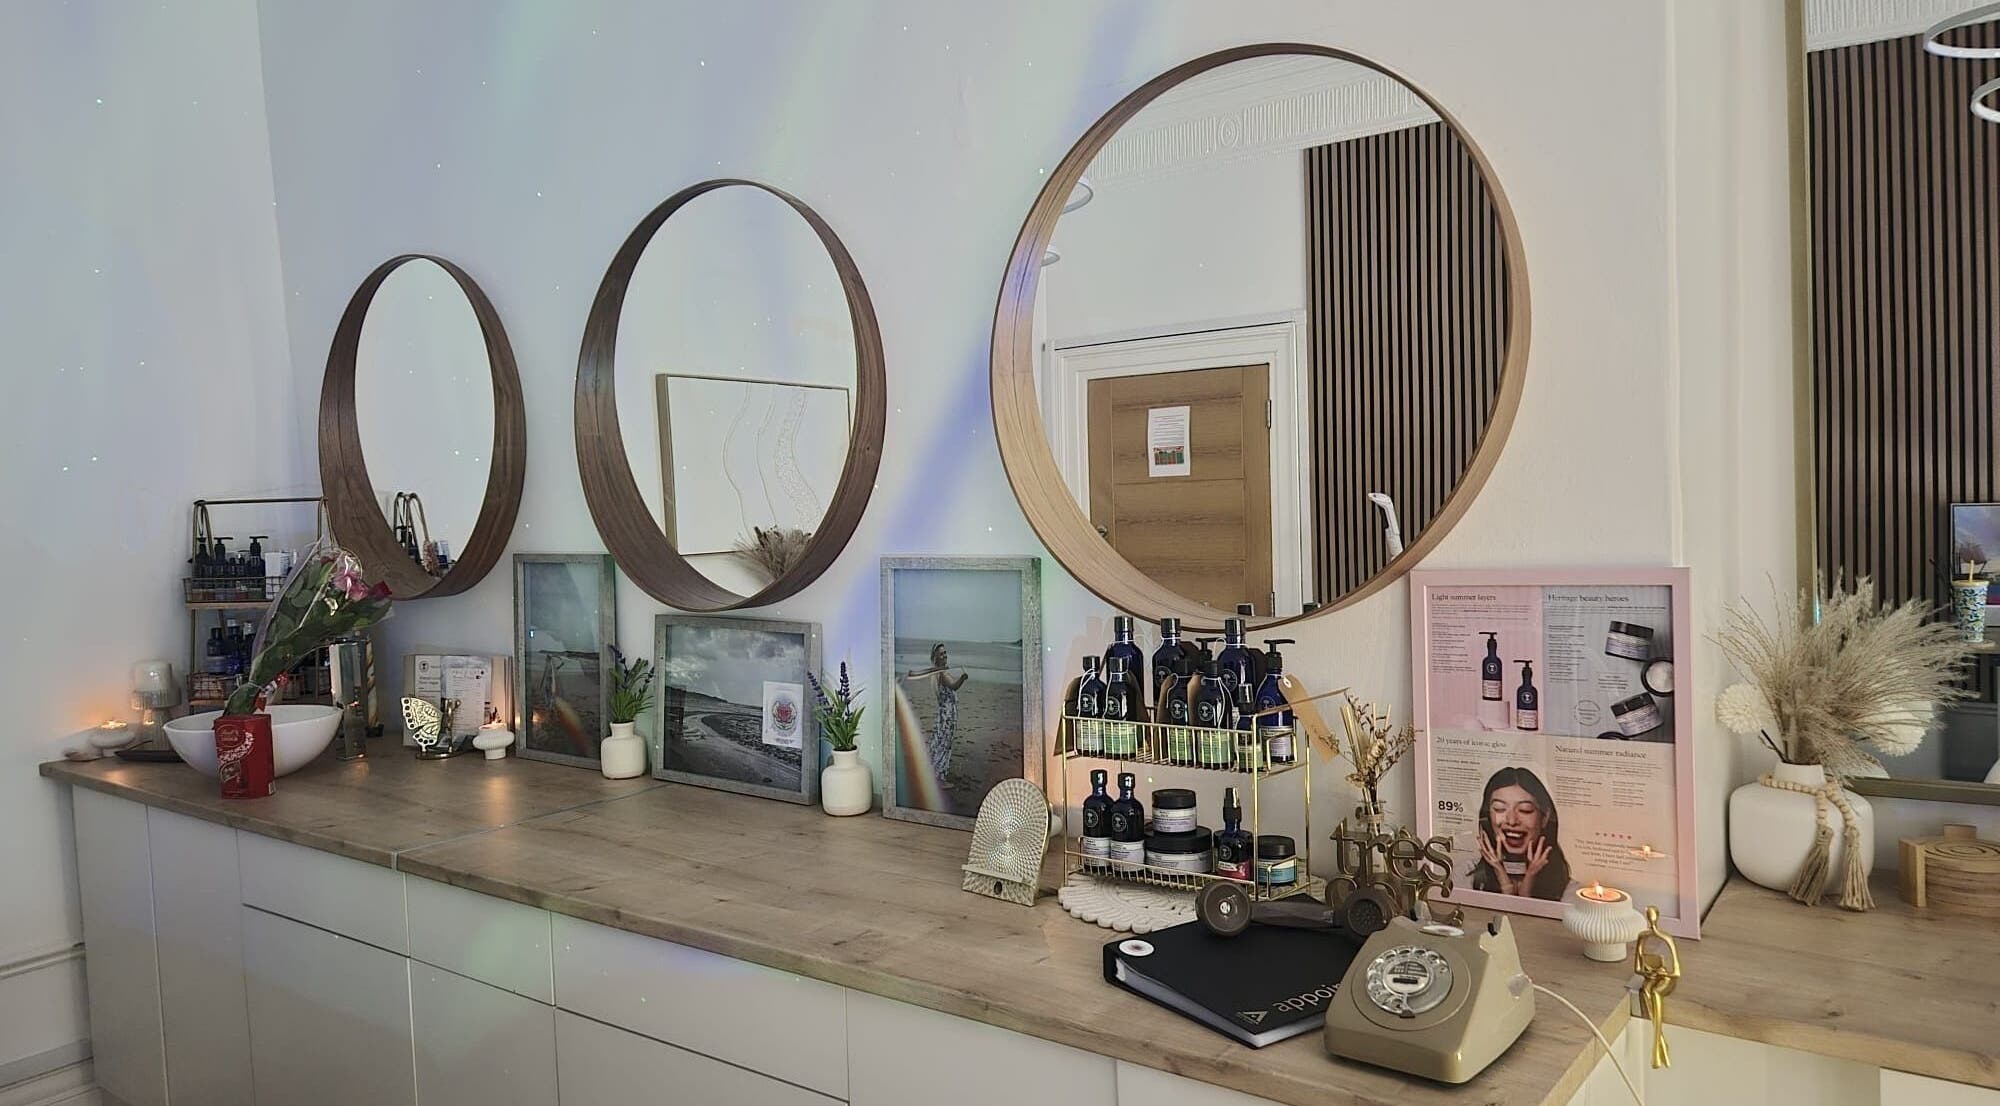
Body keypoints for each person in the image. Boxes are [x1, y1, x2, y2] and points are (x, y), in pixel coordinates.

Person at [1470, 766, 1572, 900]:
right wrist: (1503, 880)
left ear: (1545, 817)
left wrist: (1526, 888)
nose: (1512, 821)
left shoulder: (1571, 892)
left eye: (1525, 810)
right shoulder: (1466, 876)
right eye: (1499, 809)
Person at [903, 643, 968, 779]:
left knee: (939, 741)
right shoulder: (941, 674)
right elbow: (953, 686)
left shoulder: (939, 672)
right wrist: (962, 678)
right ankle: (939, 776)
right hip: (947, 715)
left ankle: (932, 771)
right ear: (936, 658)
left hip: (944, 713)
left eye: (945, 653)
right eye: (941, 654)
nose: (944, 655)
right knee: (944, 743)